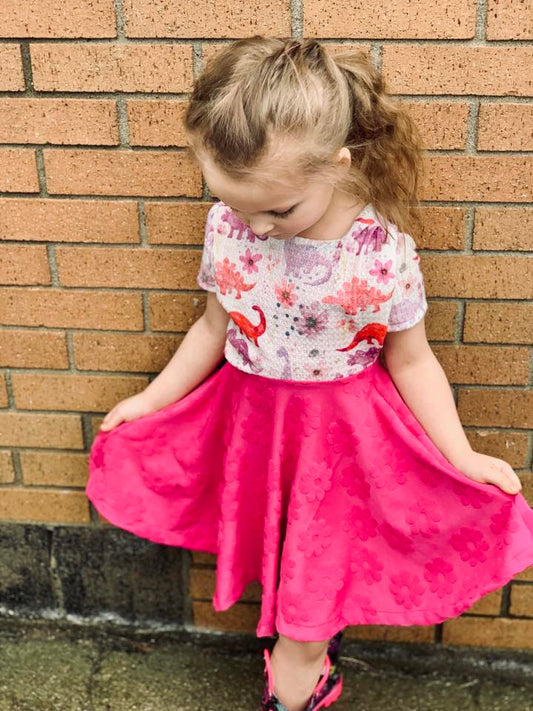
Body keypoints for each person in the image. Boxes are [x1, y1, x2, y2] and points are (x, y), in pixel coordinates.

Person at [86, 36, 533, 711]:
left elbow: (412, 358)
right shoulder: (228, 227)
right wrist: (151, 399)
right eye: (239, 205)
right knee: (284, 552)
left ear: (336, 164)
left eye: (278, 209)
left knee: (312, 583)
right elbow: (212, 327)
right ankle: (307, 664)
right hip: (253, 427)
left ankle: (298, 679)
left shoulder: (380, 253)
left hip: (344, 444)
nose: (258, 227)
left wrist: (460, 453)